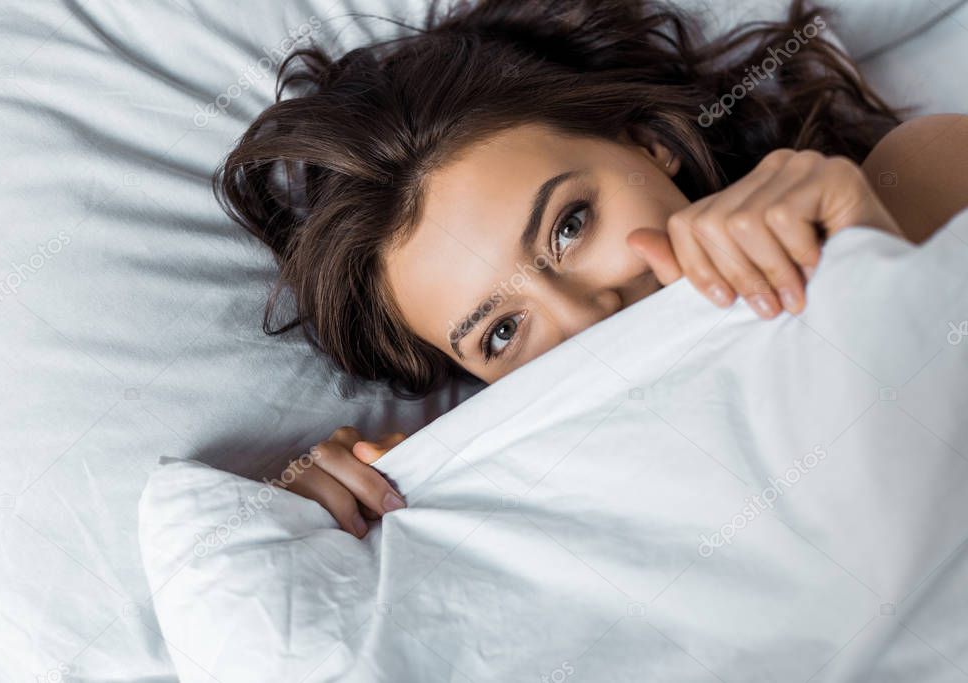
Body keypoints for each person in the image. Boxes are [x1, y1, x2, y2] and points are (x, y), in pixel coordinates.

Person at [215, 0, 968, 537]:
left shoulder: (906, 182)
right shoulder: (538, 488)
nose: (586, 319)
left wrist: (870, 250)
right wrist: (332, 514)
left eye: (569, 225)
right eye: (502, 331)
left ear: (649, 142)